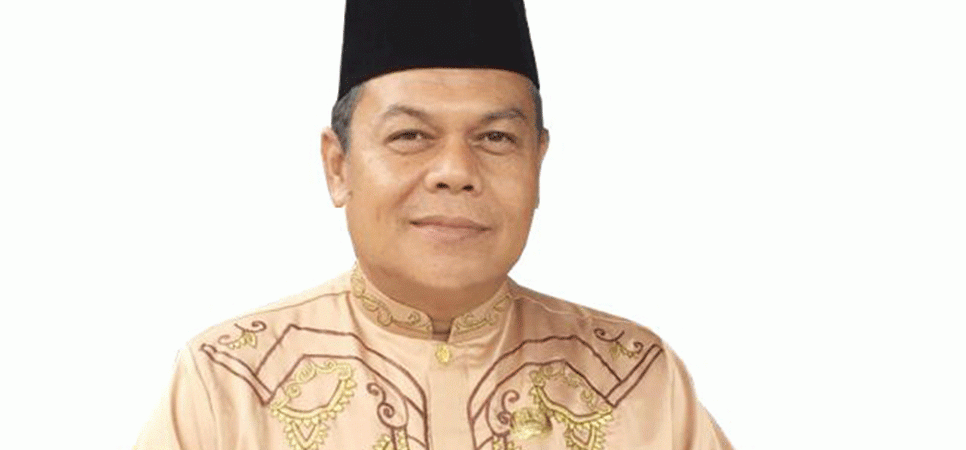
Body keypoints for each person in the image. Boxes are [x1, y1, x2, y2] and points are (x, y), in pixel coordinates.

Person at [134, 0, 732, 449]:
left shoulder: (635, 380)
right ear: (338, 166)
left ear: (538, 164)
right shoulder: (229, 385)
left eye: (495, 138)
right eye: (410, 135)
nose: (455, 172)